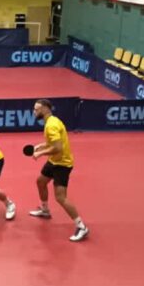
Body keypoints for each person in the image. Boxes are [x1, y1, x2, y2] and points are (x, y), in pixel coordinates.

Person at [29, 99, 89, 242]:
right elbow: (55, 142)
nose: (34, 112)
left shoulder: (51, 125)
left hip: (62, 164)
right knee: (41, 182)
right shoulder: (52, 121)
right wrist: (42, 145)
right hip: (54, 161)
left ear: (45, 109)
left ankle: (81, 226)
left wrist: (40, 153)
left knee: (61, 197)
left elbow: (57, 148)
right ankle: (45, 210)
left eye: (36, 109)